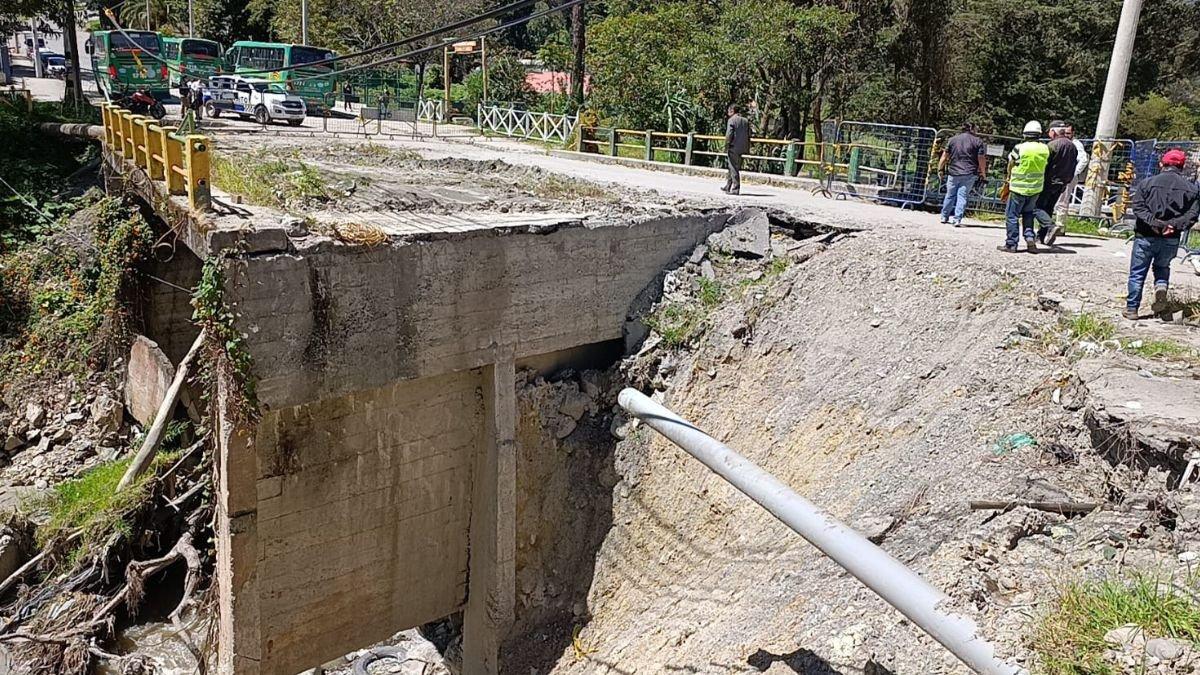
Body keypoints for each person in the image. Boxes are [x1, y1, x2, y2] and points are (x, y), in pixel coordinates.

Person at [1123, 149, 1199, 320]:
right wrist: (1173, 225)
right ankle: (1161, 291)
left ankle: (1132, 309)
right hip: (1171, 239)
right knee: (1162, 267)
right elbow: (1192, 215)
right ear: (1182, 166)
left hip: (1145, 235)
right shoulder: (1192, 189)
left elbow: (1138, 208)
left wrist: (1156, 223)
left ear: (1161, 164)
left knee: (1137, 273)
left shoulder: (1147, 183)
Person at [998, 121, 1049, 254]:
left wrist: (1008, 177)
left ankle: (1011, 244)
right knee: (1028, 214)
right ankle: (1030, 238)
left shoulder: (1019, 148)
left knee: (1012, 216)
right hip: (1036, 188)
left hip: (1018, 187)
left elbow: (1011, 162)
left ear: (1025, 134)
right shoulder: (1044, 149)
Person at [1033, 120, 1078, 244]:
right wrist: (1066, 182)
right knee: (1048, 209)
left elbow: (1045, 165)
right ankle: (1041, 237)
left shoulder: (1052, 146)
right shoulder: (1072, 146)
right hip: (1062, 183)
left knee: (1035, 207)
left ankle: (1050, 226)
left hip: (1049, 181)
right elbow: (1073, 166)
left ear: (1053, 132)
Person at [938, 122, 987, 226]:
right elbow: (981, 159)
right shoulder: (978, 141)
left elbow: (944, 156)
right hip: (969, 172)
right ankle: (957, 219)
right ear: (972, 129)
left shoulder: (952, 140)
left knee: (950, 195)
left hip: (953, 171)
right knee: (962, 196)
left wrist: (940, 169)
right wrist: (983, 173)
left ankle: (944, 216)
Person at [1052, 123, 1089, 237]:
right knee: (1057, 200)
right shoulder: (1065, 143)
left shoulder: (1076, 144)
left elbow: (1084, 159)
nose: (1066, 135)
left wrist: (1074, 172)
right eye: (1065, 133)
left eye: (1068, 133)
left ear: (1073, 133)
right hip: (1061, 175)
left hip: (1068, 176)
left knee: (1062, 202)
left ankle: (1060, 227)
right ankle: (1055, 225)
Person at [722, 104, 751, 195]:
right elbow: (749, 134)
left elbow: (729, 135)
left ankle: (735, 188)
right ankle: (728, 185)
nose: (727, 113)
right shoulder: (745, 120)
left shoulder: (731, 120)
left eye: (728, 111)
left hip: (733, 146)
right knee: (732, 166)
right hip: (743, 147)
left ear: (732, 111)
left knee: (733, 167)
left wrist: (726, 145)